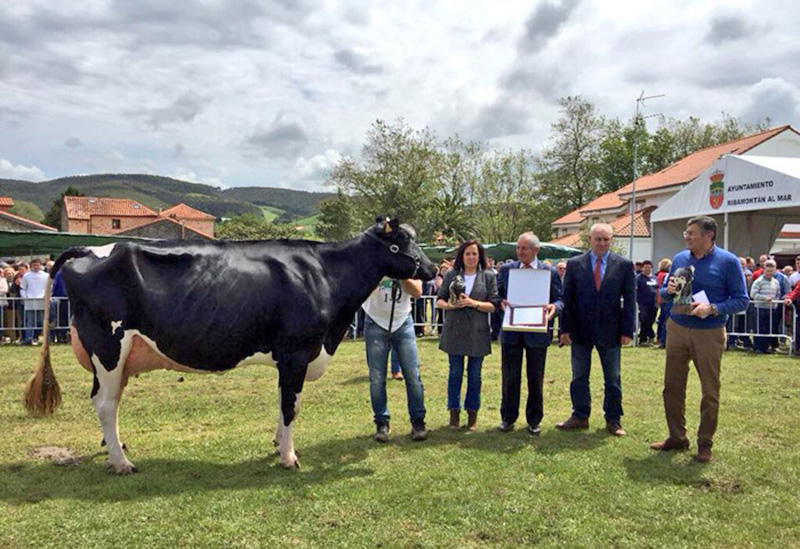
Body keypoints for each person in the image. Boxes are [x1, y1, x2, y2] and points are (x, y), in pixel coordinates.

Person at [651, 216, 748, 463]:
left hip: (709, 332)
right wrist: (667, 290)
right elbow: (665, 293)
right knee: (672, 386)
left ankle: (704, 444)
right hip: (678, 327)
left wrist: (712, 308)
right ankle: (676, 436)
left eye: (692, 233)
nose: (687, 237)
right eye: (686, 233)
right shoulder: (680, 259)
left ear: (709, 236)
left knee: (709, 390)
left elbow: (741, 300)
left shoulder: (728, 262)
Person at [558, 223, 635, 437]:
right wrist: (564, 329)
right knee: (579, 376)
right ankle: (580, 415)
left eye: (606, 239)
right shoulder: (575, 264)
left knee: (612, 378)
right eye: (598, 239)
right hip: (580, 329)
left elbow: (630, 301)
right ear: (589, 240)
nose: (602, 243)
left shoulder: (624, 265)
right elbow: (568, 299)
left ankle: (613, 419)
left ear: (611, 241)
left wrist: (628, 330)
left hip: (611, 330)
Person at [497, 232, 563, 435]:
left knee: (535, 377)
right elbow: (497, 295)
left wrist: (554, 307)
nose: (520, 252)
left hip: (537, 332)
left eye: (524, 248)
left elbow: (560, 299)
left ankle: (534, 420)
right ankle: (508, 418)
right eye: (518, 247)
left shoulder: (548, 272)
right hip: (512, 332)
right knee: (510, 377)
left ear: (536, 250)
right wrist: (500, 303)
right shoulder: (507, 270)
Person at [436, 240, 498, 431]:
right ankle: (453, 414)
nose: (471, 257)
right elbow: (439, 300)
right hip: (454, 330)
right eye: (467, 254)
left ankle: (472, 415)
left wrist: (473, 303)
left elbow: (493, 305)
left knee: (475, 375)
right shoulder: (452, 275)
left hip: (477, 333)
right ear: (461, 256)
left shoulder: (488, 276)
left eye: (474, 254)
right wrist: (450, 306)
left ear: (480, 256)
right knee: (454, 374)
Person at [362, 277, 428, 443]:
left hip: (403, 321)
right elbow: (361, 290)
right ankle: (381, 423)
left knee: (413, 375)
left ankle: (418, 421)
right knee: (377, 378)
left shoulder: (407, 261)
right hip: (375, 321)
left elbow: (418, 292)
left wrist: (402, 276)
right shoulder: (374, 260)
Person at [750, 259, 782, 354]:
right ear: (764, 270)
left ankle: (766, 347)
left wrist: (775, 302)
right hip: (760, 308)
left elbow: (778, 294)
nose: (769, 273)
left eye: (771, 271)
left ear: (775, 270)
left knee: (768, 329)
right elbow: (753, 294)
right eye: (767, 271)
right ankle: (758, 348)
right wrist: (764, 298)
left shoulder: (776, 282)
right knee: (759, 329)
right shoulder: (758, 281)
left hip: (771, 309)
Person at [20, 258, 49, 345]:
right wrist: (25, 297)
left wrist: (46, 296)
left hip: (42, 300)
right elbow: (22, 288)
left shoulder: (46, 275)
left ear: (40, 265)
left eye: (37, 265)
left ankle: (38, 337)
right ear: (31, 266)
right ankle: (29, 338)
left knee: (41, 321)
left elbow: (49, 288)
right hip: (30, 301)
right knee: (30, 321)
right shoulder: (26, 276)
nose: (36, 267)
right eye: (34, 265)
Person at [636, 260, 658, 346]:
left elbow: (657, 289)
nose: (647, 269)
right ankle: (643, 339)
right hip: (642, 304)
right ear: (642, 268)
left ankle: (650, 336)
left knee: (651, 321)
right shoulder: (638, 278)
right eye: (645, 267)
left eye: (649, 267)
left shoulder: (654, 278)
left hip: (653, 304)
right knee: (644, 321)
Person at [655, 258, 672, 348]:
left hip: (661, 300)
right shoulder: (666, 275)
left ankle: (661, 339)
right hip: (666, 300)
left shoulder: (657, 275)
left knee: (662, 320)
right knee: (666, 321)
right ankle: (663, 341)